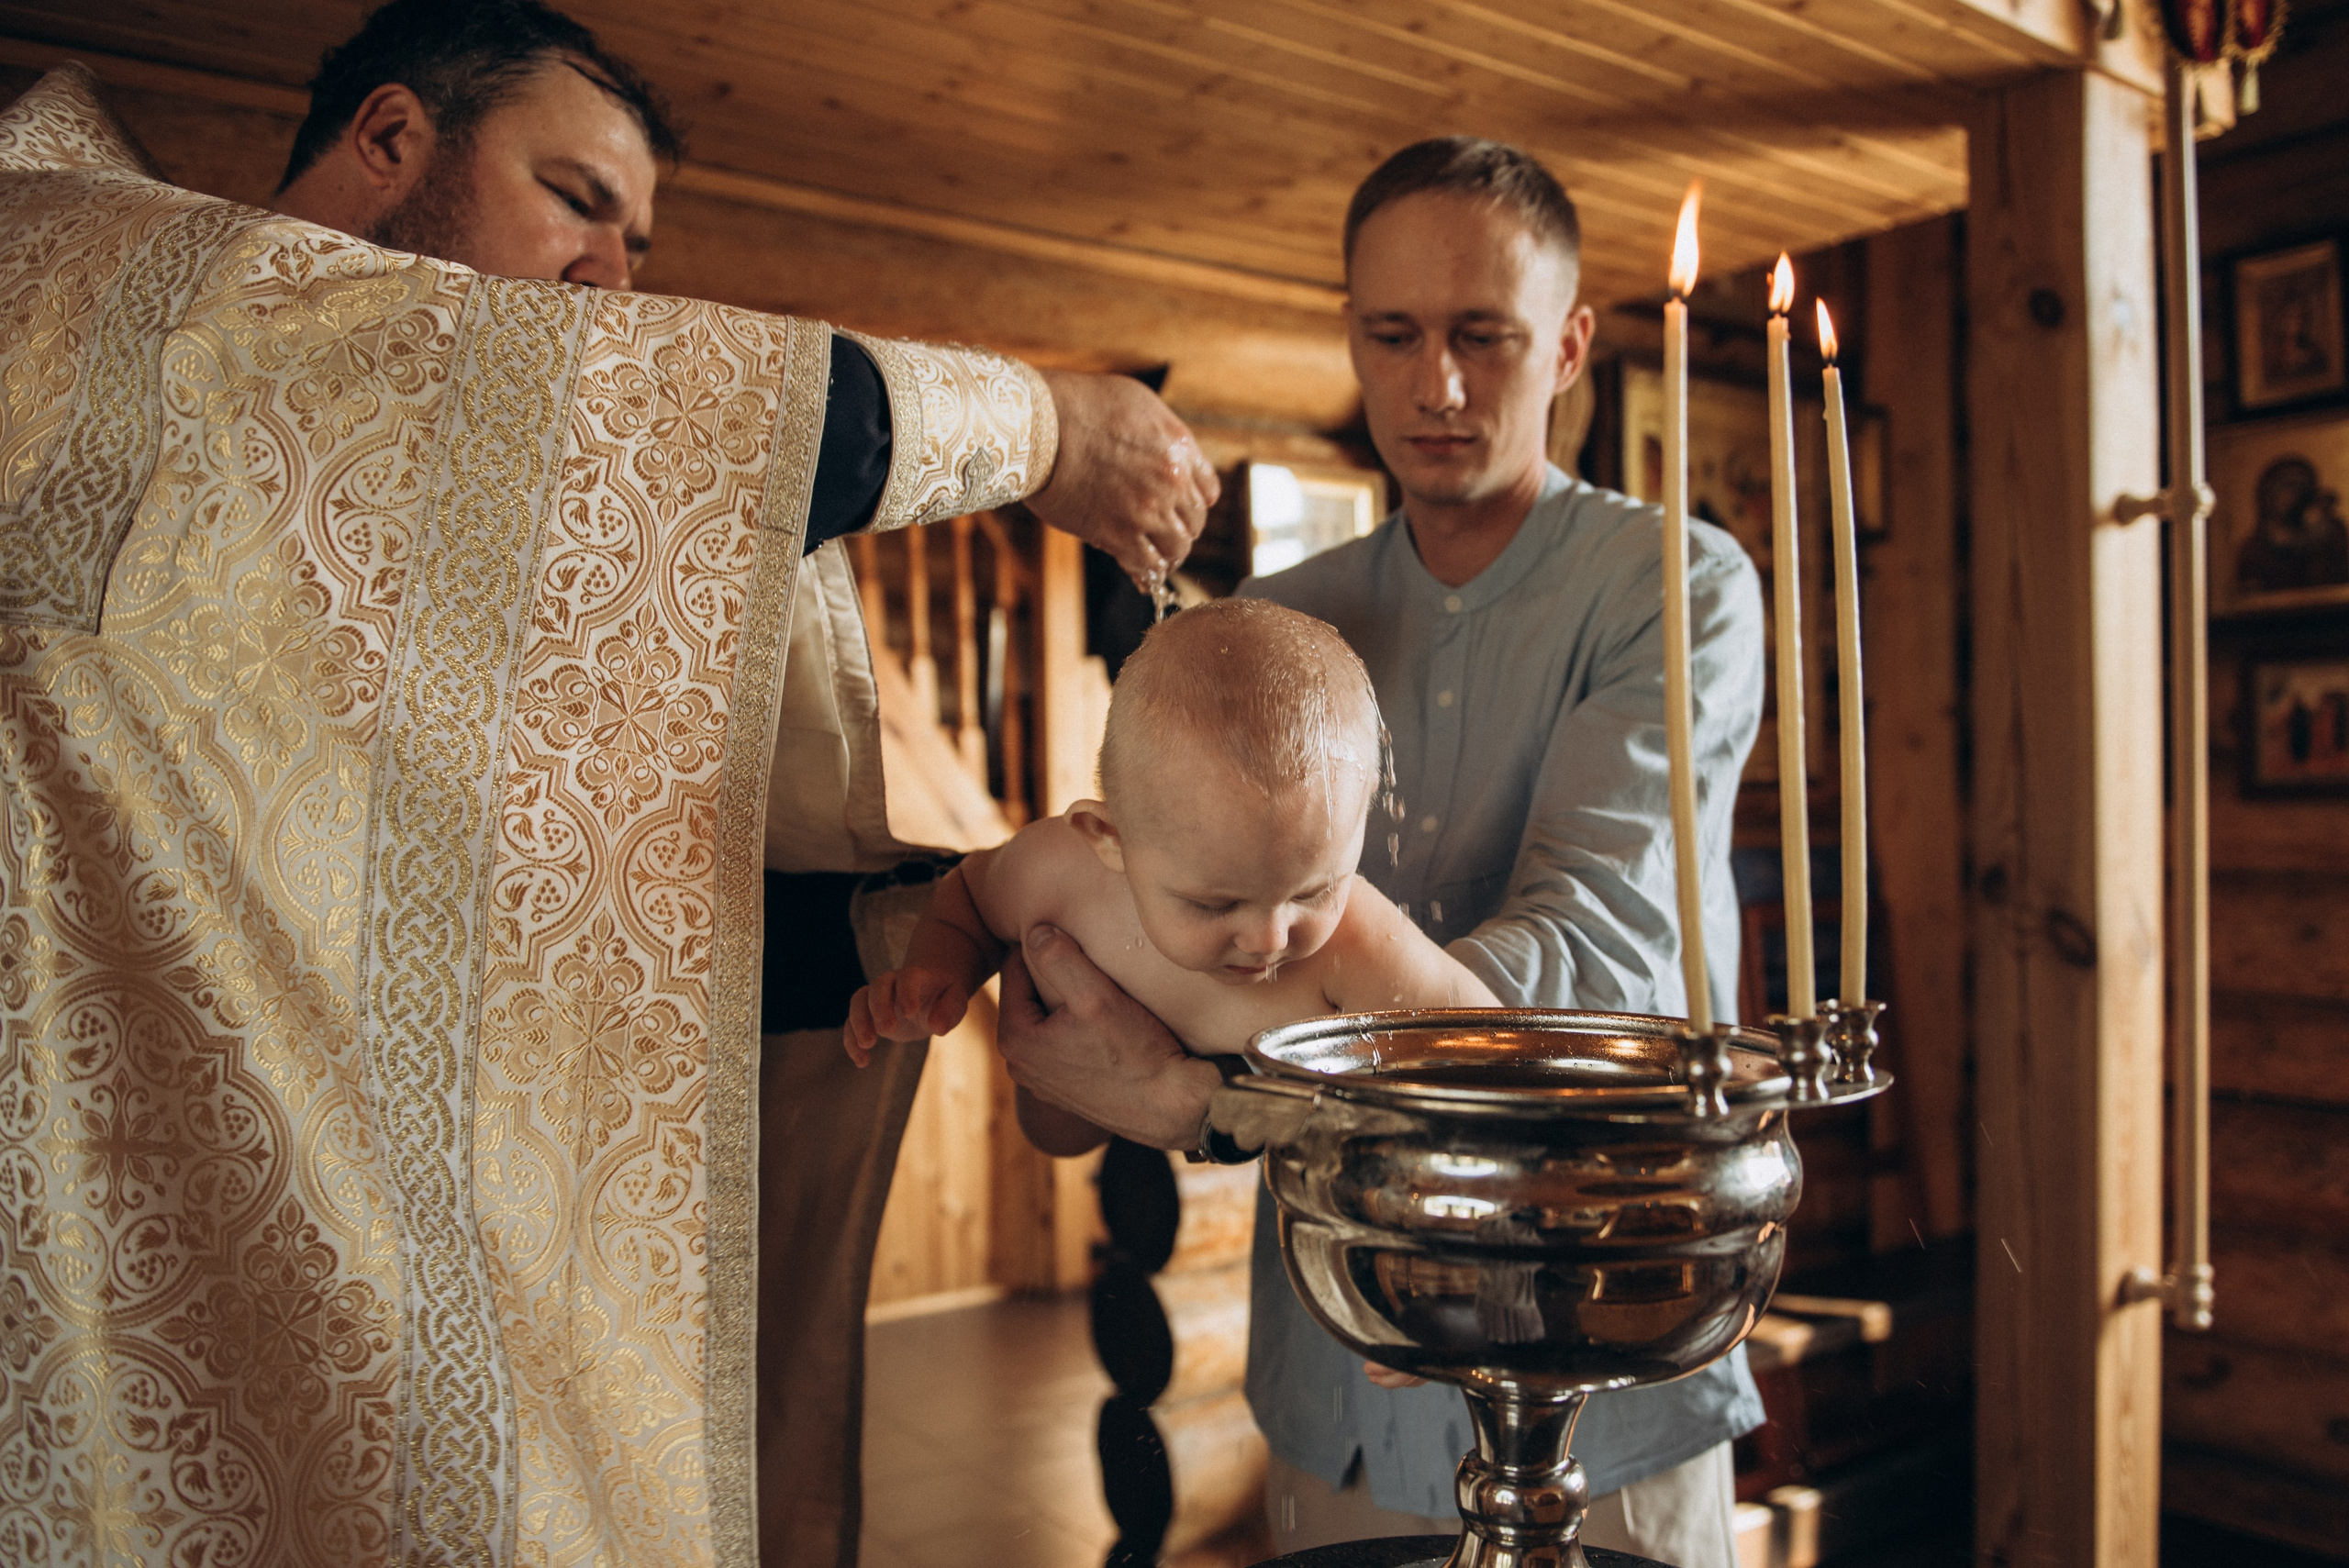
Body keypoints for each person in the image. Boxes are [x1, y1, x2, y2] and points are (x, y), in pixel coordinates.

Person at [0, 1, 1216, 1561]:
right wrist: (1051, 427)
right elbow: (700, 419)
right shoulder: (149, 295)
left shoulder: (402, 566)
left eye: (639, 244)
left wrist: (924, 923)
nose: (615, 285)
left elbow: (581, 921)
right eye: (577, 200)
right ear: (391, 137)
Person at [994, 137, 1766, 1566]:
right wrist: (1094, 1000)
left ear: (1571, 346)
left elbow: (1587, 966)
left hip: (1596, 1341)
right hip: (1339, 1364)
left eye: (1485, 336)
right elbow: (1099, 999)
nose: (1436, 387)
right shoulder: (1271, 623)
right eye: (1393, 335)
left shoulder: (1675, 585)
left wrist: (1207, 1097)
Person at [843, 597, 1498, 1151]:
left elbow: (1490, 1048)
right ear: (1109, 840)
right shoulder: (1057, 873)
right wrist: (937, 970)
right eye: (1215, 904)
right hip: (1066, 1100)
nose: (1270, 938)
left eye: (1313, 889)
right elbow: (967, 894)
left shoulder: (1357, 946)